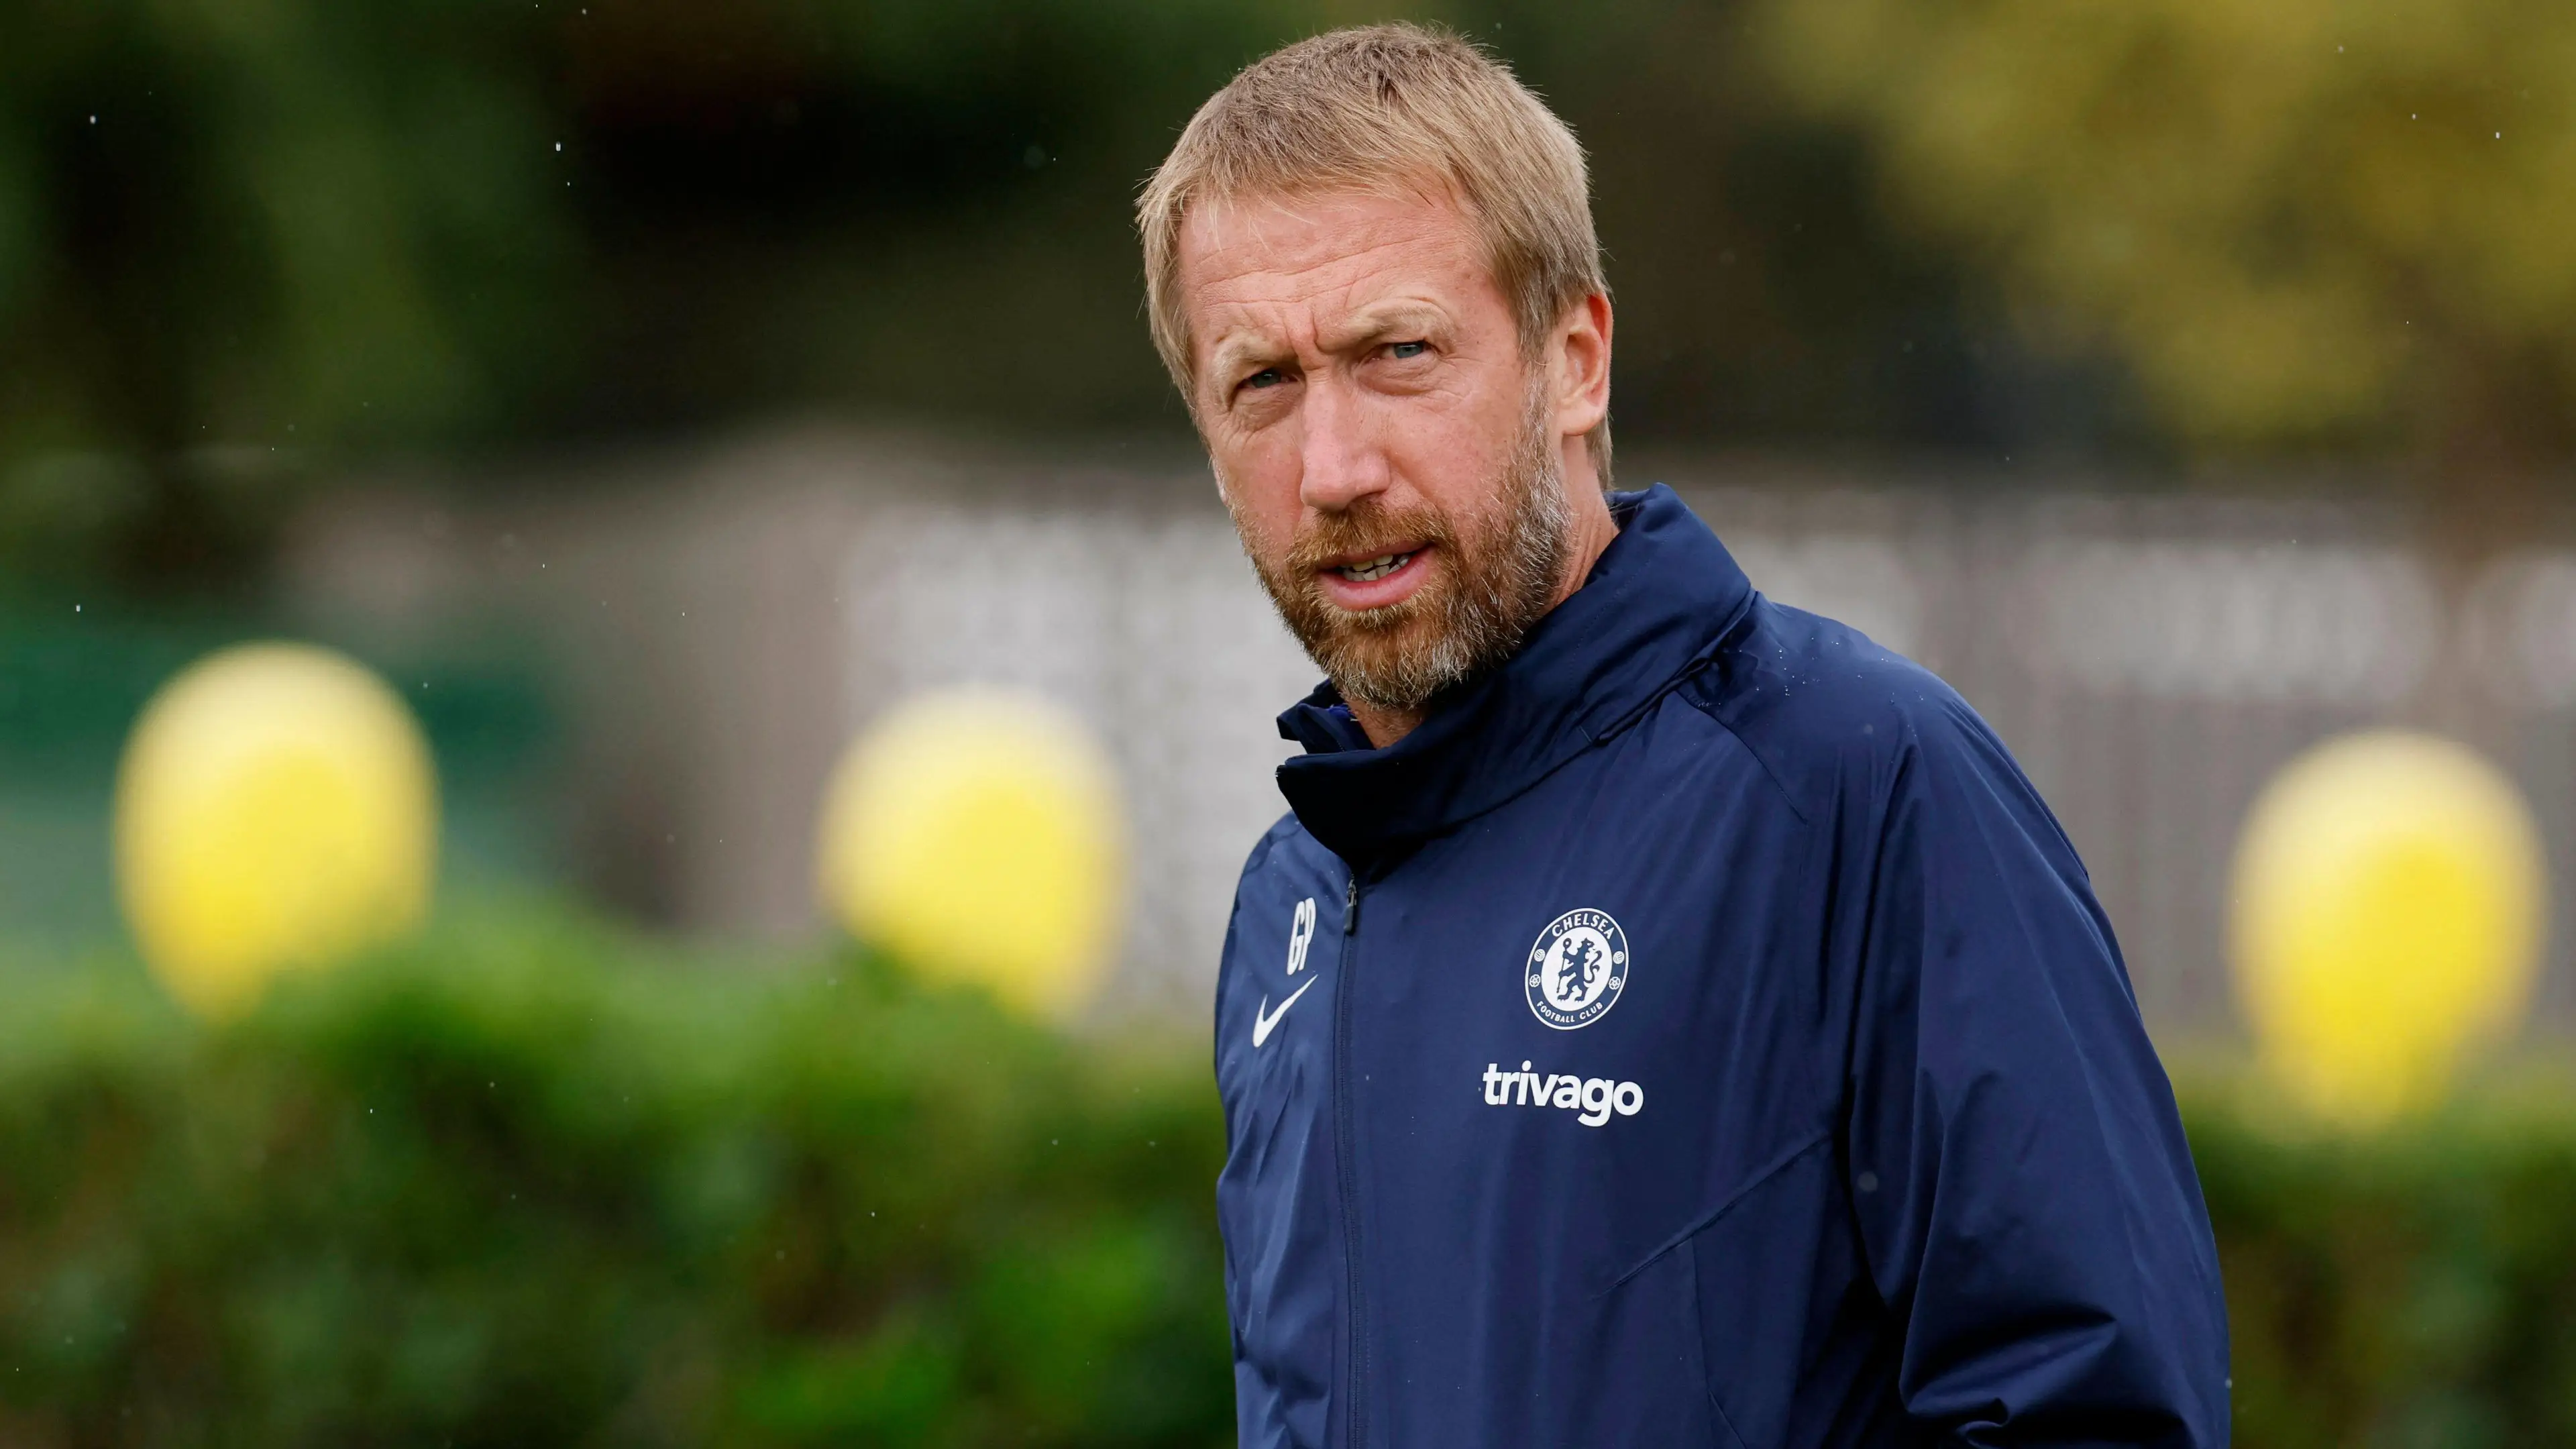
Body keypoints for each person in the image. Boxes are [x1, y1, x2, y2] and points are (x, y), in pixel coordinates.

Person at [1139, 23, 2229, 1448]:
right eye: (1262, 385)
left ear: (1575, 360)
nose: (1334, 469)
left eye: (1398, 353)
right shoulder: (1291, 896)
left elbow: (2097, 1415)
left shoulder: (1862, 783)